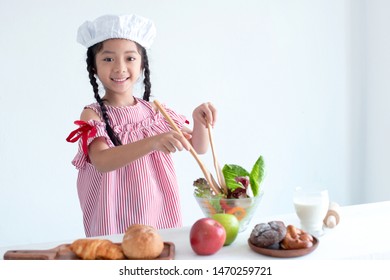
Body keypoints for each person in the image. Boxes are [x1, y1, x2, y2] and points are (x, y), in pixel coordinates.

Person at [66, 14, 217, 237]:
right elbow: (101, 161)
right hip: (113, 214)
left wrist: (198, 121)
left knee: (156, 255)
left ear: (142, 63)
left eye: (129, 58)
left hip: (156, 212)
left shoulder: (154, 111)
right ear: (94, 67)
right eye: (108, 59)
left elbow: (198, 147)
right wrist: (153, 142)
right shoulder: (93, 114)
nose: (119, 68)